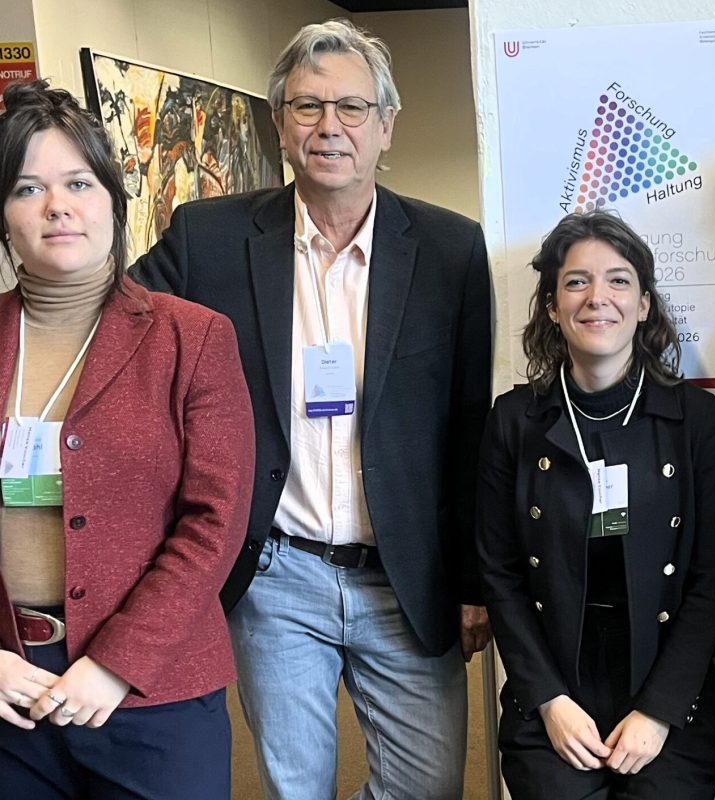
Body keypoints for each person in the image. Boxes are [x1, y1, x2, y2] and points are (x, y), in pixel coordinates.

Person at [130, 18, 493, 800]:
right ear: (279, 124)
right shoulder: (211, 238)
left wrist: (473, 578)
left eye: (352, 108)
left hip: (406, 577)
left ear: (387, 125)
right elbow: (116, 324)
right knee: (296, 787)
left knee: (427, 787)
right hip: (276, 573)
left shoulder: (450, 249)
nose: (330, 127)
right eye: (307, 107)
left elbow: (470, 423)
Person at [0, 80, 253, 798]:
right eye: (27, 188)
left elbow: (216, 522)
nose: (57, 206)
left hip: (153, 693)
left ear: (114, 197)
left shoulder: (192, 337)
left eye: (78, 182)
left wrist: (115, 661)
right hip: (9, 688)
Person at [477, 211, 715, 799]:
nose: (598, 298)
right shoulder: (514, 421)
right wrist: (547, 701)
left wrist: (660, 711)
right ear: (551, 306)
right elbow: (501, 574)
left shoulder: (698, 423)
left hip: (667, 679)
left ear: (645, 304)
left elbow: (713, 578)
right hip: (553, 679)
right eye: (576, 282)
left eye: (619, 280)